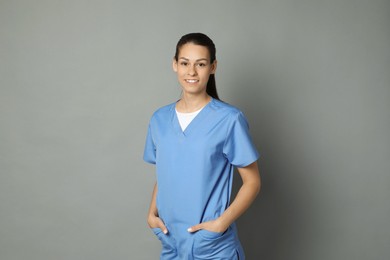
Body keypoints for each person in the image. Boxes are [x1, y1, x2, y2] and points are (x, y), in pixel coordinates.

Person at [143, 32, 261, 260]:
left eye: (201, 64)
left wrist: (221, 224)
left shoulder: (229, 120)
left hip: (213, 247)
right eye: (185, 63)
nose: (192, 72)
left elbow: (253, 182)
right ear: (174, 65)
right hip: (172, 244)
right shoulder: (159, 120)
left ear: (213, 67)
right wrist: (151, 214)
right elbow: (166, 172)